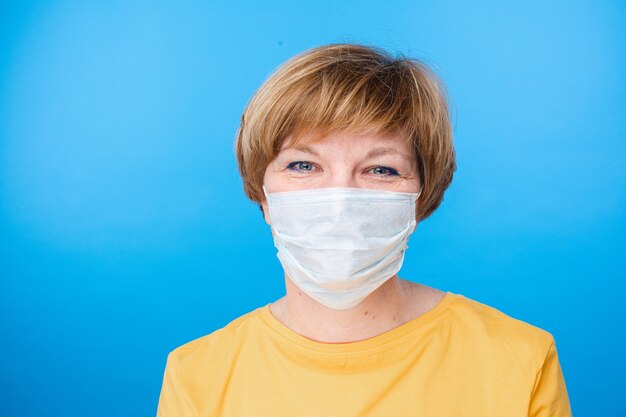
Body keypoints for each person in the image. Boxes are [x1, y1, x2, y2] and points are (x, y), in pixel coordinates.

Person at [156, 43, 572, 416]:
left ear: (421, 198)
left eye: (381, 169)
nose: (339, 201)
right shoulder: (198, 374)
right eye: (303, 165)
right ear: (262, 194)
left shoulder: (519, 360)